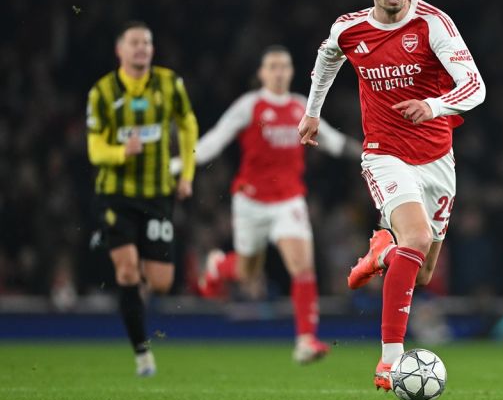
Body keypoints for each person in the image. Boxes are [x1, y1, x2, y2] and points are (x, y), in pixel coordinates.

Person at [298, 0, 486, 389]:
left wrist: (433, 105)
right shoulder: (349, 29)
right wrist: (312, 112)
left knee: (422, 271)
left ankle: (382, 250)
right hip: (384, 154)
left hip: (437, 157)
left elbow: (475, 86)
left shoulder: (433, 23)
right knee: (416, 237)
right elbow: (327, 59)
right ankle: (391, 360)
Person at [173, 45, 361, 364]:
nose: (279, 72)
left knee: (302, 265)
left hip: (289, 200)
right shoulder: (250, 106)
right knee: (247, 272)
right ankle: (218, 266)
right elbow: (215, 141)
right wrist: (178, 165)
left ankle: (305, 340)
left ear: (291, 72)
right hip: (250, 201)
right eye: (272, 66)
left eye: (284, 66)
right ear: (261, 73)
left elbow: (333, 141)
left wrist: (369, 153)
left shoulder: (302, 106)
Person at [86, 21, 198, 376]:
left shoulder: (169, 83)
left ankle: (127, 278)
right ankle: (141, 352)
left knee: (161, 282)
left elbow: (188, 123)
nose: (141, 48)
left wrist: (187, 173)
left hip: (157, 194)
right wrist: (121, 152)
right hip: (116, 194)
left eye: (147, 43)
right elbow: (94, 147)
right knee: (127, 270)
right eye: (134, 42)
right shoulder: (102, 92)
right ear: (119, 50)